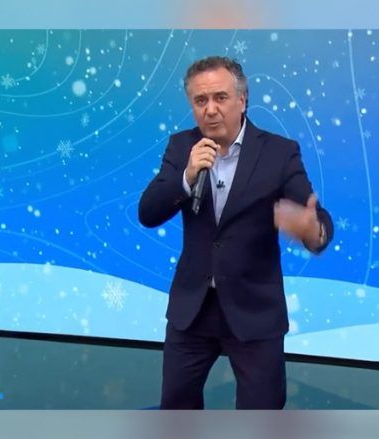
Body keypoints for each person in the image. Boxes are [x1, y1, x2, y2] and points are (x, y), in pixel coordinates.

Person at [138, 56, 333, 409]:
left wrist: (311, 230)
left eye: (220, 98)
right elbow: (148, 213)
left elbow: (315, 217)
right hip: (193, 309)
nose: (210, 109)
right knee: (176, 411)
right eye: (200, 100)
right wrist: (186, 177)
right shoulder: (182, 148)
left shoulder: (279, 152)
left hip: (254, 309)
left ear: (242, 100)